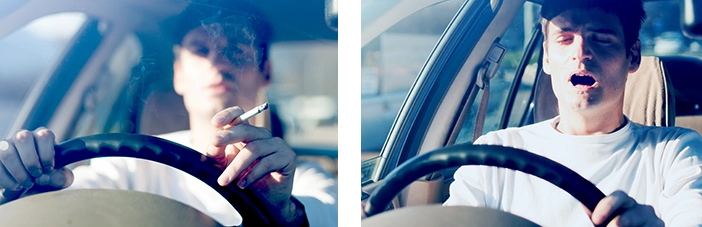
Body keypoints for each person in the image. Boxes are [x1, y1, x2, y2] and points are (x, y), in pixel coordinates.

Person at [0, 3, 337, 227]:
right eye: (200, 49)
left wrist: (285, 211)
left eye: (236, 50)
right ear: (178, 73)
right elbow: (78, 206)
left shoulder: (298, 177)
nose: (217, 62)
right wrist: (34, 186)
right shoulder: (130, 162)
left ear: (266, 72)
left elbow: (333, 212)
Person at [444, 0, 702, 226]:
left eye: (601, 39)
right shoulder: (494, 153)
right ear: (546, 56)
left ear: (633, 56)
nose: (581, 54)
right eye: (565, 39)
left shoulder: (675, 152)